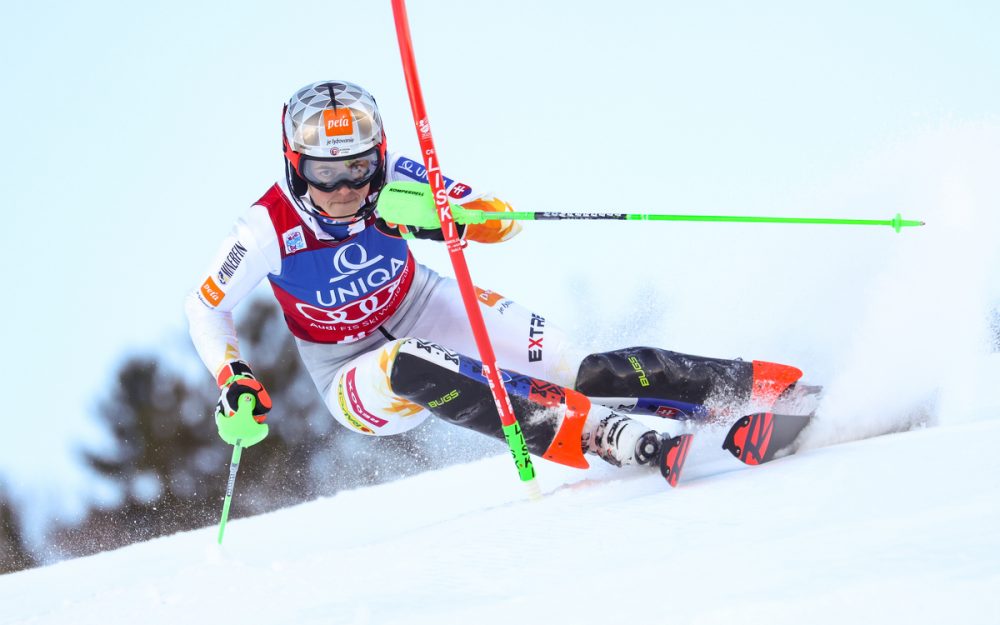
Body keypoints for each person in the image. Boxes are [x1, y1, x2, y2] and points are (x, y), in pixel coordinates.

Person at [186, 80, 808, 481]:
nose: (347, 189)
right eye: (327, 174)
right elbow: (204, 306)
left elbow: (499, 219)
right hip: (349, 373)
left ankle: (753, 389)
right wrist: (232, 375)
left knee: (577, 366)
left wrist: (453, 218)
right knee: (405, 363)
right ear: (297, 167)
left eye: (358, 169)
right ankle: (606, 435)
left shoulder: (399, 179)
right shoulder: (265, 227)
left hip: (422, 302)